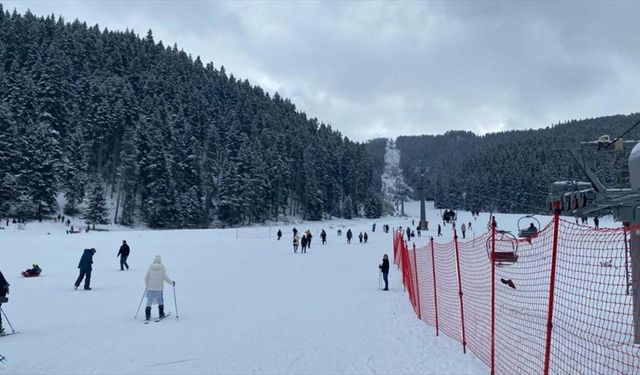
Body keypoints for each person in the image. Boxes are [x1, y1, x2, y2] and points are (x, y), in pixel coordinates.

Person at [144, 255, 174, 321]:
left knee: (149, 300)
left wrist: (147, 285)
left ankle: (147, 315)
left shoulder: (150, 267)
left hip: (150, 287)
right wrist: (172, 283)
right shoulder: (162, 267)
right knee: (160, 300)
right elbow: (165, 278)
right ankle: (161, 313)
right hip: (159, 288)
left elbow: (146, 278)